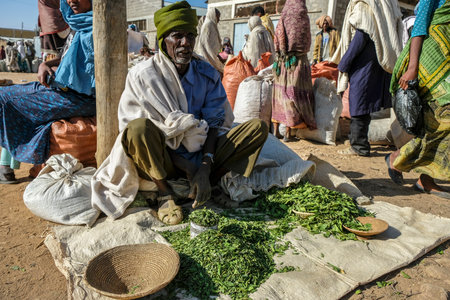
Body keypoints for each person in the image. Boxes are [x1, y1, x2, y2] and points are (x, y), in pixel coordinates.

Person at [91, 1, 269, 225]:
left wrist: (204, 166)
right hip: (163, 159)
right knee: (137, 130)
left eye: (190, 36)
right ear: (163, 40)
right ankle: (165, 192)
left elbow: (216, 122)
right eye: (177, 36)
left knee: (256, 129)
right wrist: (188, 166)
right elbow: (132, 131)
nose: (185, 43)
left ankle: (208, 182)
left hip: (203, 155)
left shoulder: (206, 72)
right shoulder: (143, 76)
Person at [0, 0, 96, 184]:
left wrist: (60, 80)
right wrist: (46, 64)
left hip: (77, 97)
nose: (72, 1)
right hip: (63, 88)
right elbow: (67, 57)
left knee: (4, 99)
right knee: (8, 93)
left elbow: (89, 82)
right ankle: (7, 166)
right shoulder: (78, 23)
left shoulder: (95, 29)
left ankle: (7, 167)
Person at [386, 0, 449, 199]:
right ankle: (400, 159)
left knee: (437, 121)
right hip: (429, 59)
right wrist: (412, 67)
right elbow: (420, 25)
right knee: (444, 118)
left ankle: (425, 178)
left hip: (445, 63)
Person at [332, 0, 403, 157]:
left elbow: (360, 38)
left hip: (363, 65)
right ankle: (359, 142)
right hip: (377, 62)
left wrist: (344, 63)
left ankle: (359, 147)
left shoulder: (364, 6)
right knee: (365, 105)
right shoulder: (384, 5)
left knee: (359, 105)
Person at [271, 0, 316, 141]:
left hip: (282, 61)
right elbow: (307, 40)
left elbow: (278, 35)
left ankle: (276, 131)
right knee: (293, 95)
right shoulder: (304, 16)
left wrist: (281, 51)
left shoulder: (284, 14)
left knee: (279, 94)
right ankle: (288, 133)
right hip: (298, 61)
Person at [194, 7, 224, 73]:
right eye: (217, 17)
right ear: (213, 15)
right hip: (206, 58)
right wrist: (214, 59)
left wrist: (217, 57)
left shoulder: (212, 25)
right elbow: (205, 45)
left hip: (211, 57)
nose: (219, 19)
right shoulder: (208, 25)